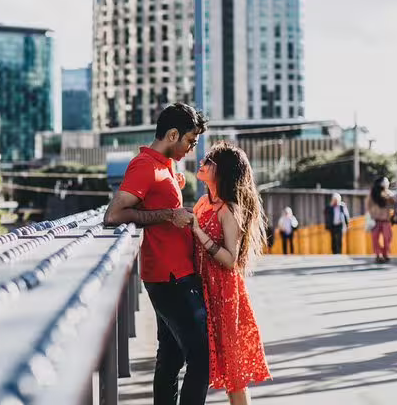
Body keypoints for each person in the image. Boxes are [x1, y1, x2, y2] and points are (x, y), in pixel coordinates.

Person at [103, 103, 209, 405]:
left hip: (175, 272)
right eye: (189, 141)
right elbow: (113, 214)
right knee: (202, 358)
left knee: (172, 357)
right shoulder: (144, 166)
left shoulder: (165, 165)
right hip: (169, 276)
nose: (191, 148)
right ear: (172, 134)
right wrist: (167, 214)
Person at [191, 142, 271, 405]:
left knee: (233, 373)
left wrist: (199, 233)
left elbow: (229, 259)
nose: (204, 161)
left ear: (223, 171)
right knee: (216, 364)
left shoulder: (229, 210)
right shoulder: (203, 202)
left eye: (212, 160)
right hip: (204, 290)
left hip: (225, 294)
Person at [366, 177, 396, 264]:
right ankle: (378, 255)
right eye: (386, 181)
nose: (388, 183)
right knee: (375, 239)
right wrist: (371, 215)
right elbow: (368, 205)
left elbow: (394, 203)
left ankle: (385, 254)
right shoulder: (373, 193)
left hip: (386, 220)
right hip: (375, 220)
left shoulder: (388, 193)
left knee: (388, 238)